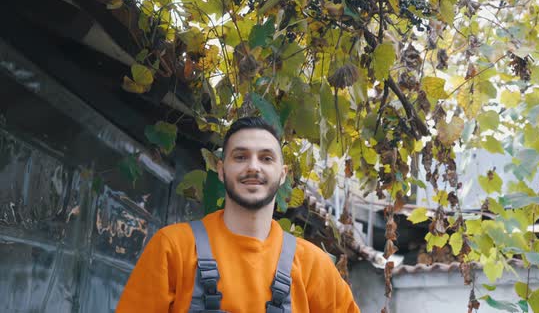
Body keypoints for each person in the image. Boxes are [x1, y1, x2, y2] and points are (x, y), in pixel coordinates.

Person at [116, 117, 360, 313]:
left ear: (283, 174)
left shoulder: (314, 267)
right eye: (241, 157)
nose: (253, 167)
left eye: (266, 158)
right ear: (221, 170)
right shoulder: (174, 248)